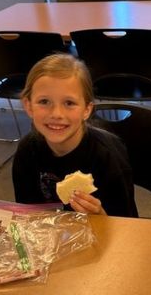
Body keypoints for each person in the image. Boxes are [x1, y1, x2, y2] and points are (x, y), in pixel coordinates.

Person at [13, 53, 137, 216]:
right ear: (28, 106)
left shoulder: (107, 156)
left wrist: (100, 215)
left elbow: (127, 224)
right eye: (44, 102)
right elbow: (26, 214)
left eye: (69, 103)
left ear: (87, 109)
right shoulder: (27, 150)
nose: (56, 114)